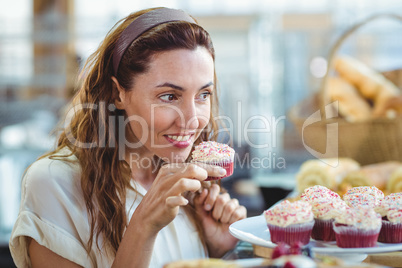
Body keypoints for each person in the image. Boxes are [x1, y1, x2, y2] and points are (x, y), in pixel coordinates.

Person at [9, 7, 247, 268]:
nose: (192, 120)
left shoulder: (186, 176)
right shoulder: (54, 183)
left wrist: (214, 250)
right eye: (169, 96)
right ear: (117, 93)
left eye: (203, 95)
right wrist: (144, 225)